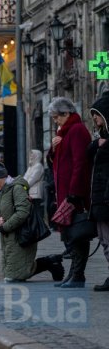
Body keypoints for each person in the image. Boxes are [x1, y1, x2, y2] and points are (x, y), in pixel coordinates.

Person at [0, 163, 64, 283]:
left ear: (2, 177)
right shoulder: (1, 193)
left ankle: (50, 262)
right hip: (8, 239)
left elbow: (23, 212)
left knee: (15, 276)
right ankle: (50, 262)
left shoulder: (17, 188)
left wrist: (5, 226)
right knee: (12, 275)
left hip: (21, 235)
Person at [47, 97, 92, 288]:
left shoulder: (77, 130)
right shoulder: (64, 133)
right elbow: (56, 162)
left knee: (77, 233)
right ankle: (74, 273)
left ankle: (78, 274)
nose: (55, 121)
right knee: (70, 235)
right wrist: (53, 150)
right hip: (64, 193)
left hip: (74, 195)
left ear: (67, 114)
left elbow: (80, 164)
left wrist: (75, 192)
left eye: (57, 117)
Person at [88, 91, 109, 291]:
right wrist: (96, 144)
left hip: (105, 197)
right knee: (103, 239)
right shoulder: (101, 139)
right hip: (99, 196)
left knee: (108, 239)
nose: (94, 118)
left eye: (97, 114)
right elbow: (87, 154)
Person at [23, 150, 45, 224]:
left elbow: (32, 179)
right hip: (30, 192)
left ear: (37, 156)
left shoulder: (38, 166)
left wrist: (23, 187)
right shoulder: (31, 167)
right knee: (32, 212)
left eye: (33, 155)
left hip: (35, 193)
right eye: (30, 155)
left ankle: (38, 228)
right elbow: (25, 177)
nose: (31, 157)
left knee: (36, 211)